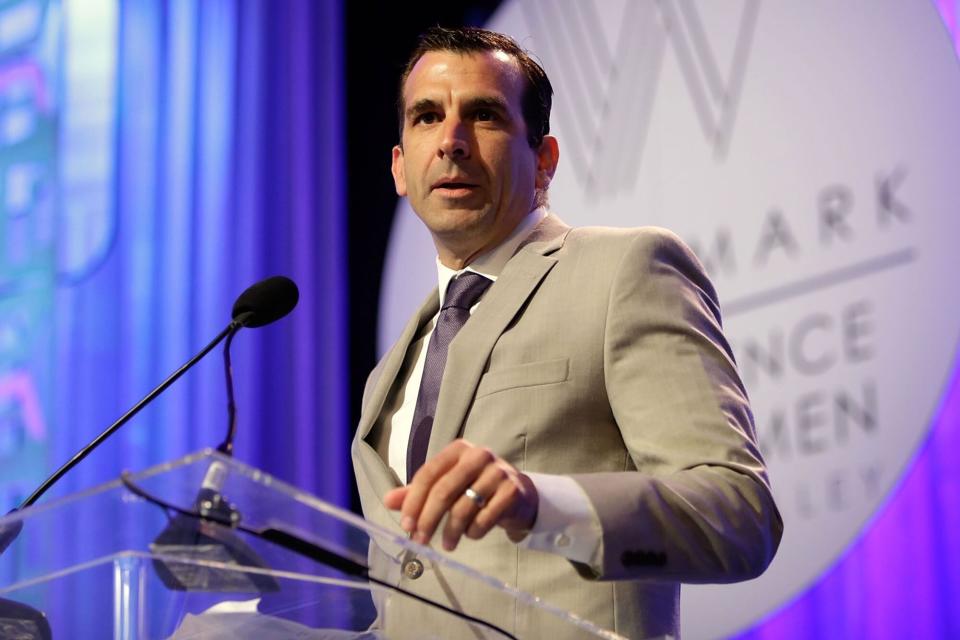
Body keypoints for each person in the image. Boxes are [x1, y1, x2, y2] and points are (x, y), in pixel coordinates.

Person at [351, 26, 782, 639]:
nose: (450, 142)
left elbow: (740, 517)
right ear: (399, 166)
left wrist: (542, 505)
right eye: (426, 117)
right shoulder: (391, 373)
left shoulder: (625, 271)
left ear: (545, 161)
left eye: (484, 115)